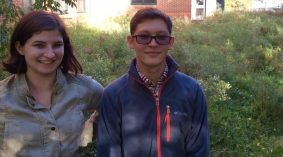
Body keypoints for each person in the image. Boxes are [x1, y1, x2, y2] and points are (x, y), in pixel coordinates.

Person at [97, 7, 210, 157]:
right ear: (131, 41)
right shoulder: (113, 95)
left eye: (161, 37)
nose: (153, 44)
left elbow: (199, 152)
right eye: (144, 37)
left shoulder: (192, 91)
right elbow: (109, 152)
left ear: (170, 42)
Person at [0, 11, 103, 157]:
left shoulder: (85, 89)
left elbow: (113, 109)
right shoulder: (3, 97)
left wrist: (84, 135)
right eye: (39, 45)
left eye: (57, 45)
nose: (50, 54)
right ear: (20, 47)